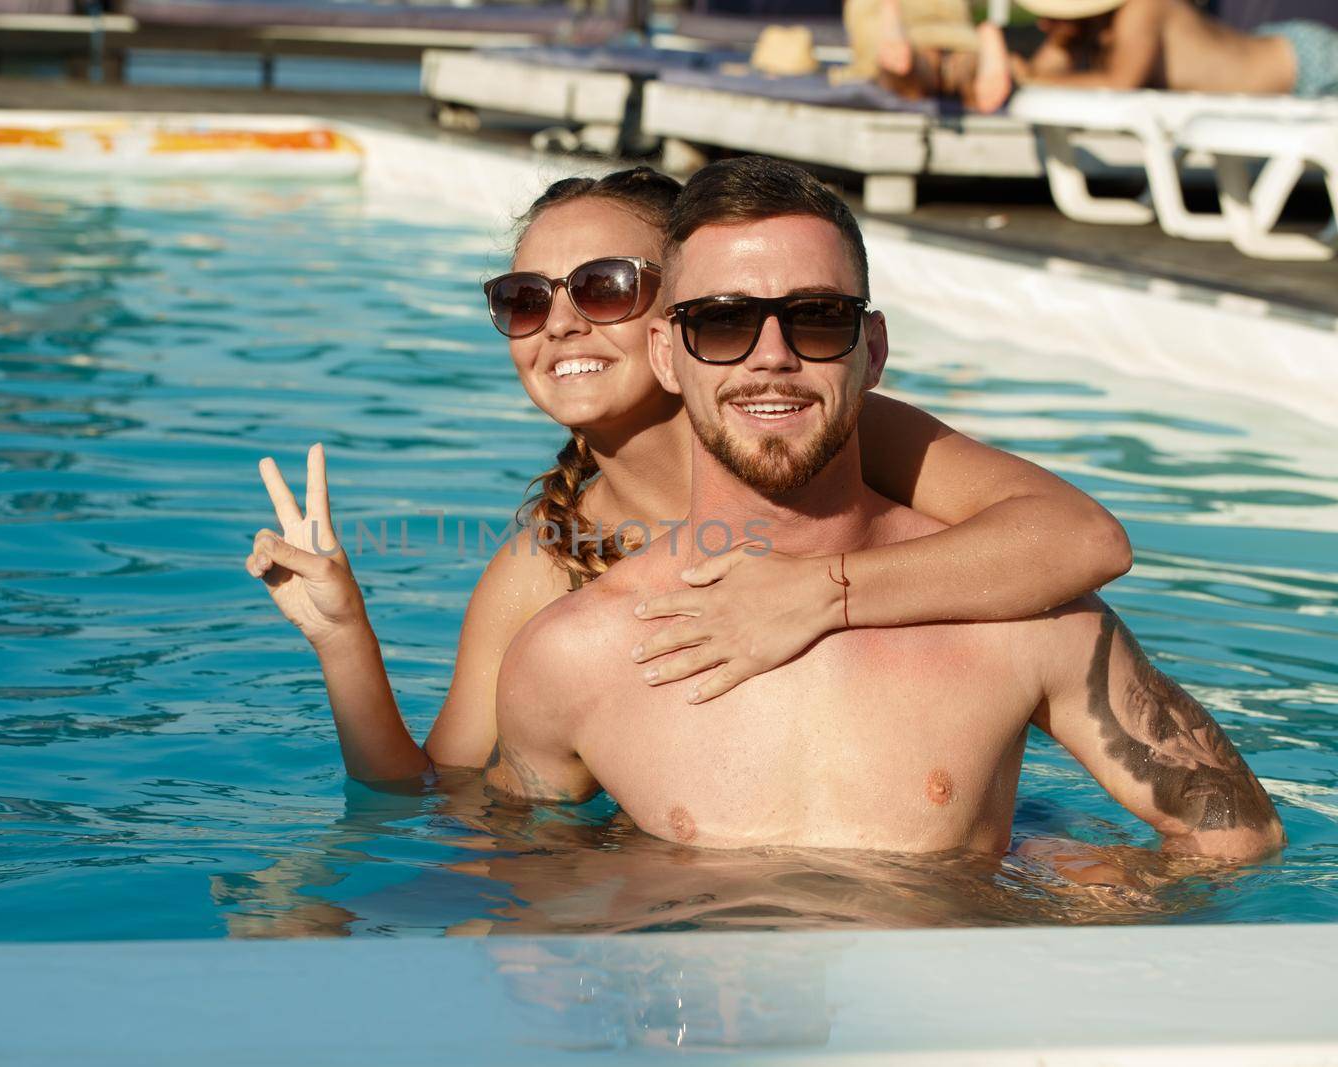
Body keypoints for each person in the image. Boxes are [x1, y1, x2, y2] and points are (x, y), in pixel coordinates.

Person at [485, 156, 1284, 865]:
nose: (772, 357)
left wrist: (1078, 901)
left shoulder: (1013, 611)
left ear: (872, 349)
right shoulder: (573, 657)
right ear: (667, 353)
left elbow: (1239, 834)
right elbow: (521, 889)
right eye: (723, 322)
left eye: (817, 319)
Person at [246, 167, 1131, 784]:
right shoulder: (549, 564)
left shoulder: (837, 431)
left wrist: (818, 592)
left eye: (601, 288)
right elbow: (445, 801)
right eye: (525, 299)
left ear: (687, 316)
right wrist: (343, 640)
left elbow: (1079, 539)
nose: (558, 324)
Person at [879, 0, 1332, 113]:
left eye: (1053, 16)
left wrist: (1025, 77)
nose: (1042, 24)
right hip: (1275, 54)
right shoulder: (1087, 30)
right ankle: (921, 67)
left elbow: (1120, 83)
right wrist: (980, 69)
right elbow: (1029, 77)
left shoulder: (1143, 11)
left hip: (1301, 64)